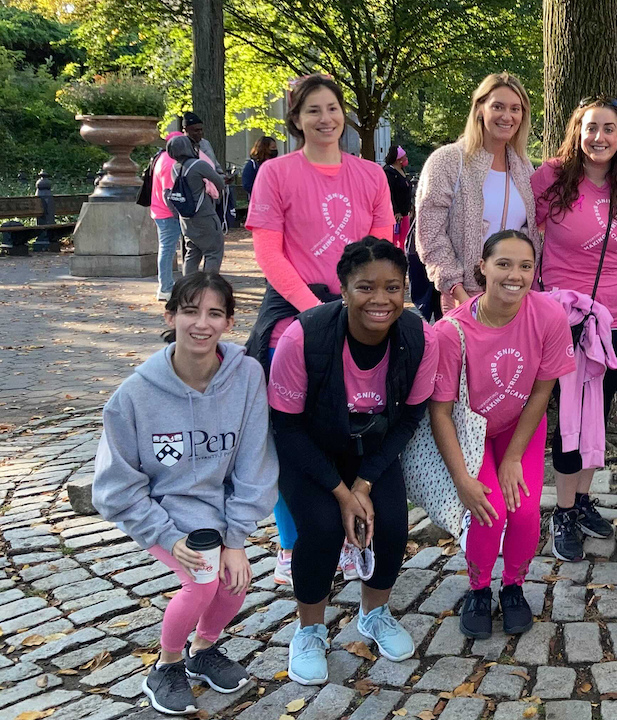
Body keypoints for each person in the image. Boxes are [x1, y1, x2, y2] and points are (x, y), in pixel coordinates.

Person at [92, 272, 278, 715]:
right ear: (170, 315)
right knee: (201, 583)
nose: (202, 323)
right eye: (191, 311)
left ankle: (202, 651)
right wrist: (166, 535)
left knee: (234, 584)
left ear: (229, 322)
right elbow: (115, 486)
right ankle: (166, 666)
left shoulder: (247, 375)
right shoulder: (134, 395)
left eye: (215, 313)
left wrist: (236, 540)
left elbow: (256, 460)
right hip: (162, 512)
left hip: (217, 515)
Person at [244, 74, 395, 587]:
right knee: (293, 425)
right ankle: (294, 539)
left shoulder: (372, 176)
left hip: (359, 302)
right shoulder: (276, 173)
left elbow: (380, 249)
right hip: (295, 303)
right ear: (296, 119)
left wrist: (358, 306)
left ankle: (355, 529)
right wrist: (315, 313)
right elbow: (269, 251)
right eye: (313, 110)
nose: (325, 119)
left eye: (332, 108)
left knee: (357, 420)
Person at [269, 238, 439, 684]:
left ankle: (375, 613)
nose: (380, 300)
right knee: (322, 527)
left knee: (394, 523)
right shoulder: (304, 336)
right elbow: (284, 427)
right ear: (343, 290)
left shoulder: (420, 337)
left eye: (393, 287)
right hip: (309, 448)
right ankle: (309, 630)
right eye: (365, 287)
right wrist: (342, 494)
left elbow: (409, 419)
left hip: (371, 449)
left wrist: (362, 485)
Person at [532, 98, 617, 561]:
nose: (599, 137)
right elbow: (524, 231)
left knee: (599, 409)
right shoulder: (551, 177)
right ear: (577, 131)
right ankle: (562, 511)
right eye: (591, 128)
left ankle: (583, 500)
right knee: (571, 414)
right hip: (564, 316)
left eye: (609, 128)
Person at [432, 230, 574, 638]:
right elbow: (440, 411)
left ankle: (513, 586)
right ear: (483, 266)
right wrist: (462, 480)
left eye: (526, 266)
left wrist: (513, 456)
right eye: (504, 264)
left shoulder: (547, 316)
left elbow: (542, 390)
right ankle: (478, 588)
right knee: (487, 509)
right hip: (473, 433)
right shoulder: (452, 331)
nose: (516, 275)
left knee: (526, 510)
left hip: (520, 427)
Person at [416, 73, 539, 313]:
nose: (507, 116)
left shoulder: (524, 167)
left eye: (515, 108)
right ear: (480, 109)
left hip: (514, 298)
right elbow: (430, 235)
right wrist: (458, 291)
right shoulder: (448, 161)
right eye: (498, 106)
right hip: (463, 298)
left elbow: (530, 233)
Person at [166, 135, 226, 276]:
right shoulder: (198, 165)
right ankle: (209, 287)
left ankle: (189, 287)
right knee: (213, 252)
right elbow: (220, 182)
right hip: (204, 215)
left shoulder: (175, 168)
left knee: (192, 252)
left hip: (186, 218)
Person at [147, 131, 185, 302]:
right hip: (168, 213)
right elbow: (168, 193)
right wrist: (179, 214)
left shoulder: (161, 158)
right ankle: (165, 288)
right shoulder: (171, 163)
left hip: (158, 210)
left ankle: (166, 286)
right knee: (167, 249)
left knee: (166, 248)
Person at [383, 146, 415, 249]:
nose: (406, 159)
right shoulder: (389, 172)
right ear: (399, 159)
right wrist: (396, 211)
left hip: (405, 212)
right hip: (397, 215)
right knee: (395, 240)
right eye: (404, 157)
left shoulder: (402, 171)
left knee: (404, 239)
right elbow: (389, 193)